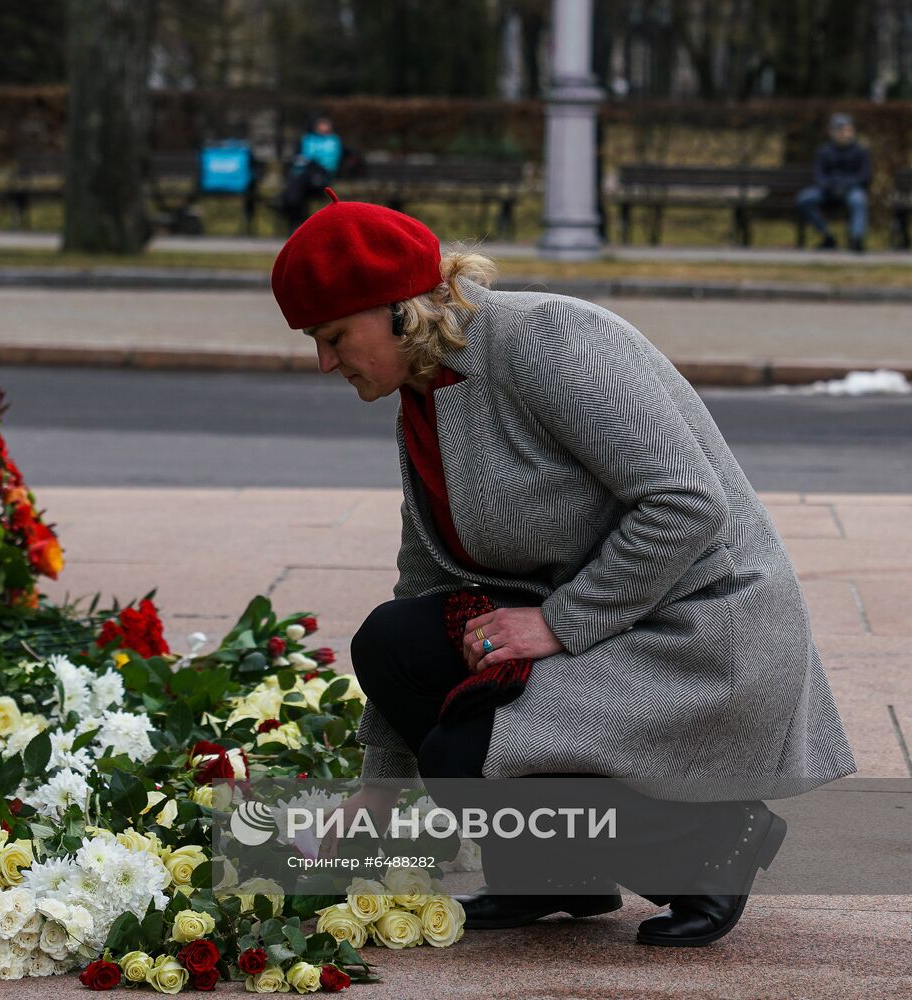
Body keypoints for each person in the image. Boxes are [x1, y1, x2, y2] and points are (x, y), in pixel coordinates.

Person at [270, 191, 856, 947]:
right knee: (391, 641)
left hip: (703, 634)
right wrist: (381, 785)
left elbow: (685, 505)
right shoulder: (426, 393)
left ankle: (713, 850)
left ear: (397, 311)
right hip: (617, 623)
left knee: (465, 754)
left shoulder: (544, 338)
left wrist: (556, 622)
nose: (323, 363)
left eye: (331, 336)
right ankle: (554, 878)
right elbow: (424, 583)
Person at [796, 113, 873, 252]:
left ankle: (856, 239)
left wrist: (845, 186)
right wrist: (830, 186)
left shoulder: (861, 151)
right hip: (827, 190)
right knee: (805, 198)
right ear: (833, 132)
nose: (845, 133)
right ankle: (827, 235)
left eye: (848, 129)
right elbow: (819, 175)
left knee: (859, 200)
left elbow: (865, 176)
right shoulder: (824, 152)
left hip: (851, 189)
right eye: (841, 130)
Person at [277, 114, 346, 232]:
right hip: (305, 180)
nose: (323, 127)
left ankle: (285, 205)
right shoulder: (307, 139)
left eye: (325, 124)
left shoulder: (335, 141)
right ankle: (296, 219)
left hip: (322, 178)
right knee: (300, 186)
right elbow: (296, 158)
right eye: (321, 124)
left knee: (296, 189)